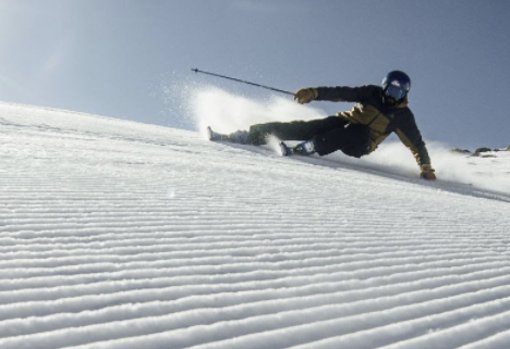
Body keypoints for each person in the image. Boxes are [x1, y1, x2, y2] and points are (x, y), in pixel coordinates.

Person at [223, 70, 436, 180]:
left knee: (356, 130)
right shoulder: (371, 93)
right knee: (305, 127)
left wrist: (425, 167)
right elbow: (342, 92)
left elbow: (416, 144)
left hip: (362, 142)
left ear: (405, 95)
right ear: (384, 87)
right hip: (345, 121)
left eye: (398, 94)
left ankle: (312, 146)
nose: (392, 97)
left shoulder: (403, 116)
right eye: (390, 91)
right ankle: (252, 135)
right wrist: (314, 93)